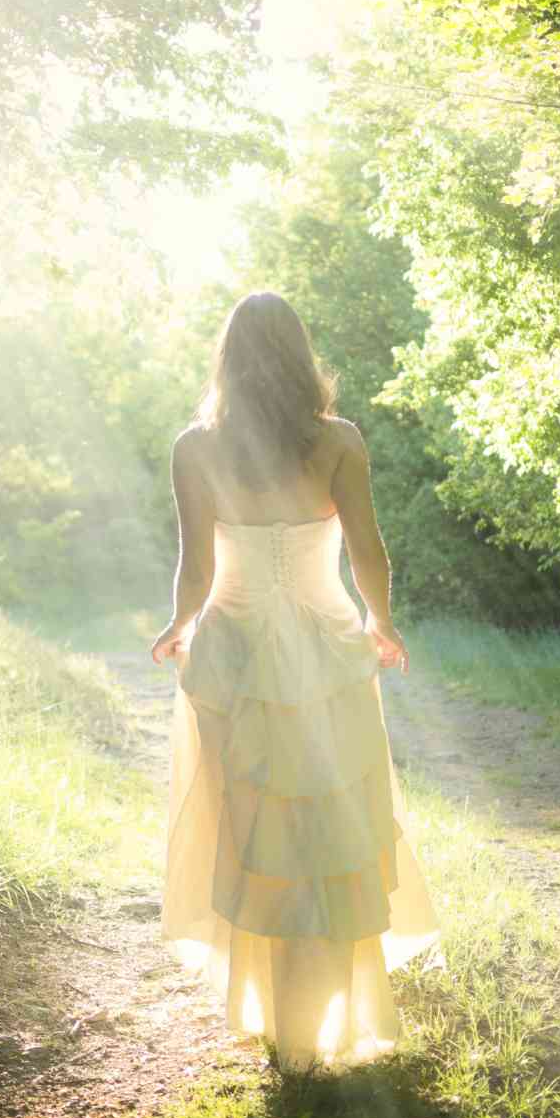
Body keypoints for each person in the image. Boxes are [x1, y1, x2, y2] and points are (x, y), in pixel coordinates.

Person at [150, 291, 440, 1072]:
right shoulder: (339, 441)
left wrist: (178, 625)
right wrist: (381, 622)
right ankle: (321, 1024)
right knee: (333, 834)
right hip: (325, 653)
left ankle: (282, 1025)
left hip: (236, 659)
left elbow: (197, 567)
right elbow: (368, 550)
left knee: (257, 837)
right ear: (300, 356)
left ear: (228, 360)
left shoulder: (196, 447)